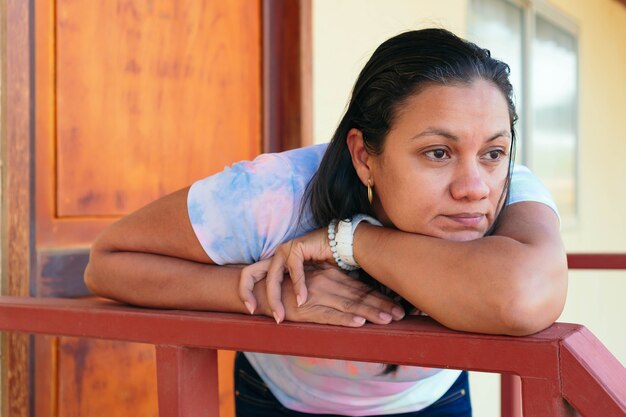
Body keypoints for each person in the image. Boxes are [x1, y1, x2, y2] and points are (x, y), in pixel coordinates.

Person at [85, 28, 567, 417]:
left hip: (429, 400)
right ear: (363, 156)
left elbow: (521, 296)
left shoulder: (511, 187)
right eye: (437, 153)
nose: (474, 187)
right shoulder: (277, 193)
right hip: (278, 399)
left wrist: (352, 241)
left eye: (493, 152)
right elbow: (108, 263)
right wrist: (265, 291)